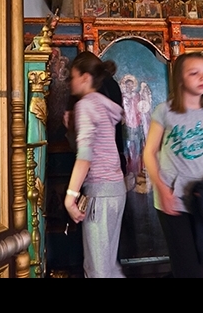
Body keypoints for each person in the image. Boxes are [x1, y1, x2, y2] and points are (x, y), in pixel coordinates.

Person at [142, 52, 203, 278]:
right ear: (180, 78)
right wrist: (162, 189)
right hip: (171, 197)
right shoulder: (165, 111)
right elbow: (149, 153)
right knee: (186, 266)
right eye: (194, 73)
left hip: (202, 199)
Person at [64, 52, 126, 278]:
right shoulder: (104, 103)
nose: (70, 82)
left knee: (97, 269)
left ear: (85, 77)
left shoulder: (86, 105)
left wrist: (70, 196)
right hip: (116, 190)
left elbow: (85, 156)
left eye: (72, 77)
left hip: (99, 192)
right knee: (108, 265)